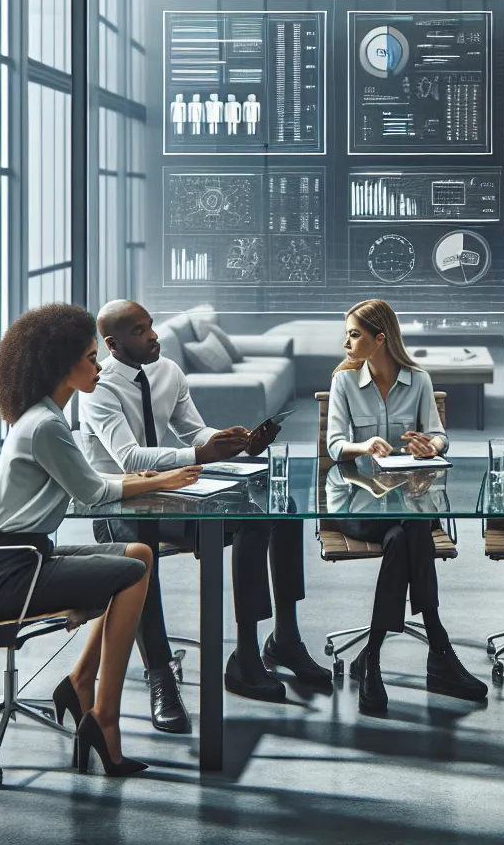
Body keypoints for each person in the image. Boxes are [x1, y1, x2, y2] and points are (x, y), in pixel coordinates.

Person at [0, 303, 202, 777]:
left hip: (29, 555)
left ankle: (78, 682)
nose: (99, 367)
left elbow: (91, 480)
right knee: (134, 571)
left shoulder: (42, 416)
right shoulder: (48, 425)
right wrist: (163, 479)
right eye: (92, 358)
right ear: (64, 365)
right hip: (12, 571)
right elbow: (94, 490)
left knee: (136, 553)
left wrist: (149, 477)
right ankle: (104, 718)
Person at [79, 300, 330, 732]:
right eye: (140, 332)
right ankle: (160, 672)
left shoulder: (168, 372)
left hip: (173, 493)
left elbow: (194, 431)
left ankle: (269, 646)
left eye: (152, 327)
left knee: (277, 510)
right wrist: (198, 454)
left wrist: (234, 440)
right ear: (113, 344)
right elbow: (128, 457)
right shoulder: (98, 388)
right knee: (143, 548)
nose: (154, 336)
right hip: (121, 502)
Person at [325, 299, 487, 716]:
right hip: (358, 508)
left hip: (408, 503)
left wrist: (428, 445)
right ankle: (440, 650)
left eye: (355, 334)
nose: (346, 342)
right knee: (412, 528)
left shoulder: (418, 380)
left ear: (380, 339)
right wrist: (364, 445)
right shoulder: (343, 382)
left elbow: (439, 437)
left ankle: (371, 659)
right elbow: (334, 445)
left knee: (404, 534)